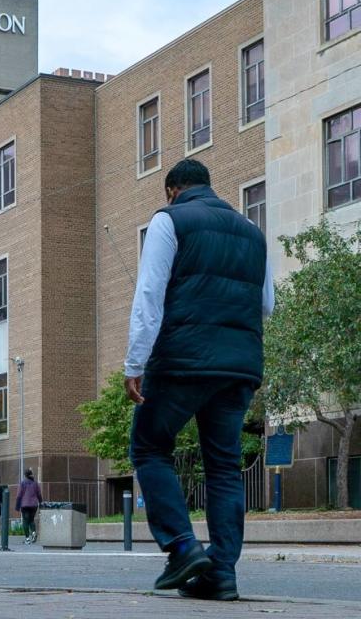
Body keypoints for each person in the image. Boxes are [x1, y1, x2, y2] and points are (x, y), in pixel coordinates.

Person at [124, 159, 273, 601]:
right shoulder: (253, 232)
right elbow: (266, 304)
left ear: (172, 190)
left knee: (149, 447)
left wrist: (135, 363)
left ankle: (182, 547)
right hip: (240, 366)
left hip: (183, 360)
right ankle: (221, 573)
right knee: (224, 466)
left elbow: (149, 294)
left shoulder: (170, 220)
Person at [15, 468, 42, 544]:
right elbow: (39, 494)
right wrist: (41, 503)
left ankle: (27, 539)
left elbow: (19, 495)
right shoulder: (35, 483)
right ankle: (33, 533)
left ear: (25, 475)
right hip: (34, 505)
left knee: (25, 521)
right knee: (31, 520)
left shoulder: (22, 483)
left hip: (25, 505)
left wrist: (17, 506)